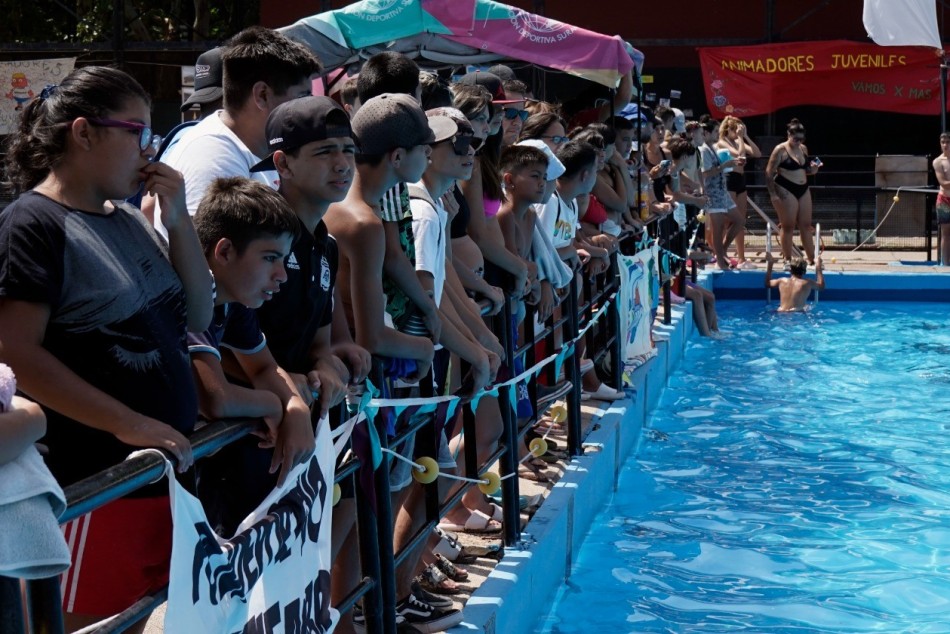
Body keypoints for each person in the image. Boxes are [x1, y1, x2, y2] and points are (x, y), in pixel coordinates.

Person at [0, 66, 212, 632]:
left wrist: (179, 219)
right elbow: (17, 353)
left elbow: (197, 315)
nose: (149, 150)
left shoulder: (126, 219)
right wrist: (129, 424)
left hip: (155, 479)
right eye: (137, 132)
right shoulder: (32, 223)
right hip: (95, 482)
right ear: (84, 132)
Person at [188, 177, 315, 493]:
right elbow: (217, 400)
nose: (282, 275)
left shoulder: (232, 298)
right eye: (270, 258)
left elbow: (262, 367)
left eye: (284, 260)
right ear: (226, 251)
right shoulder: (192, 290)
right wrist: (273, 403)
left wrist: (296, 409)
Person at [151, 26, 321, 232]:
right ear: (262, 95)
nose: (310, 108)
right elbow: (213, 259)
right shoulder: (213, 156)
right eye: (303, 97)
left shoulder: (255, 148)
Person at [765, 118, 822, 268]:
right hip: (785, 188)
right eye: (795, 138)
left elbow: (805, 170)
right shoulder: (780, 150)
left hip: (803, 188)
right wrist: (773, 195)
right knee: (788, 225)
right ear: (788, 134)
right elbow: (769, 173)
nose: (798, 141)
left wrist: (814, 169)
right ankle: (788, 260)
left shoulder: (803, 149)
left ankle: (811, 259)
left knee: (806, 224)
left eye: (801, 139)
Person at [716, 115, 761, 269]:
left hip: (740, 180)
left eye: (739, 129)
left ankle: (741, 257)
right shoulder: (722, 142)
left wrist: (746, 136)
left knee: (741, 220)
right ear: (728, 129)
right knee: (727, 220)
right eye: (736, 129)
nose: (738, 132)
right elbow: (739, 154)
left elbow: (757, 153)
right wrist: (741, 139)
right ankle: (720, 252)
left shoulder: (739, 140)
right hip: (729, 179)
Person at [931, 132, 950, 266]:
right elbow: (943, 182)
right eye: (942, 142)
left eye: (947, 142)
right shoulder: (938, 162)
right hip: (944, 200)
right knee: (945, 233)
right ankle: (945, 263)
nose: (945, 145)